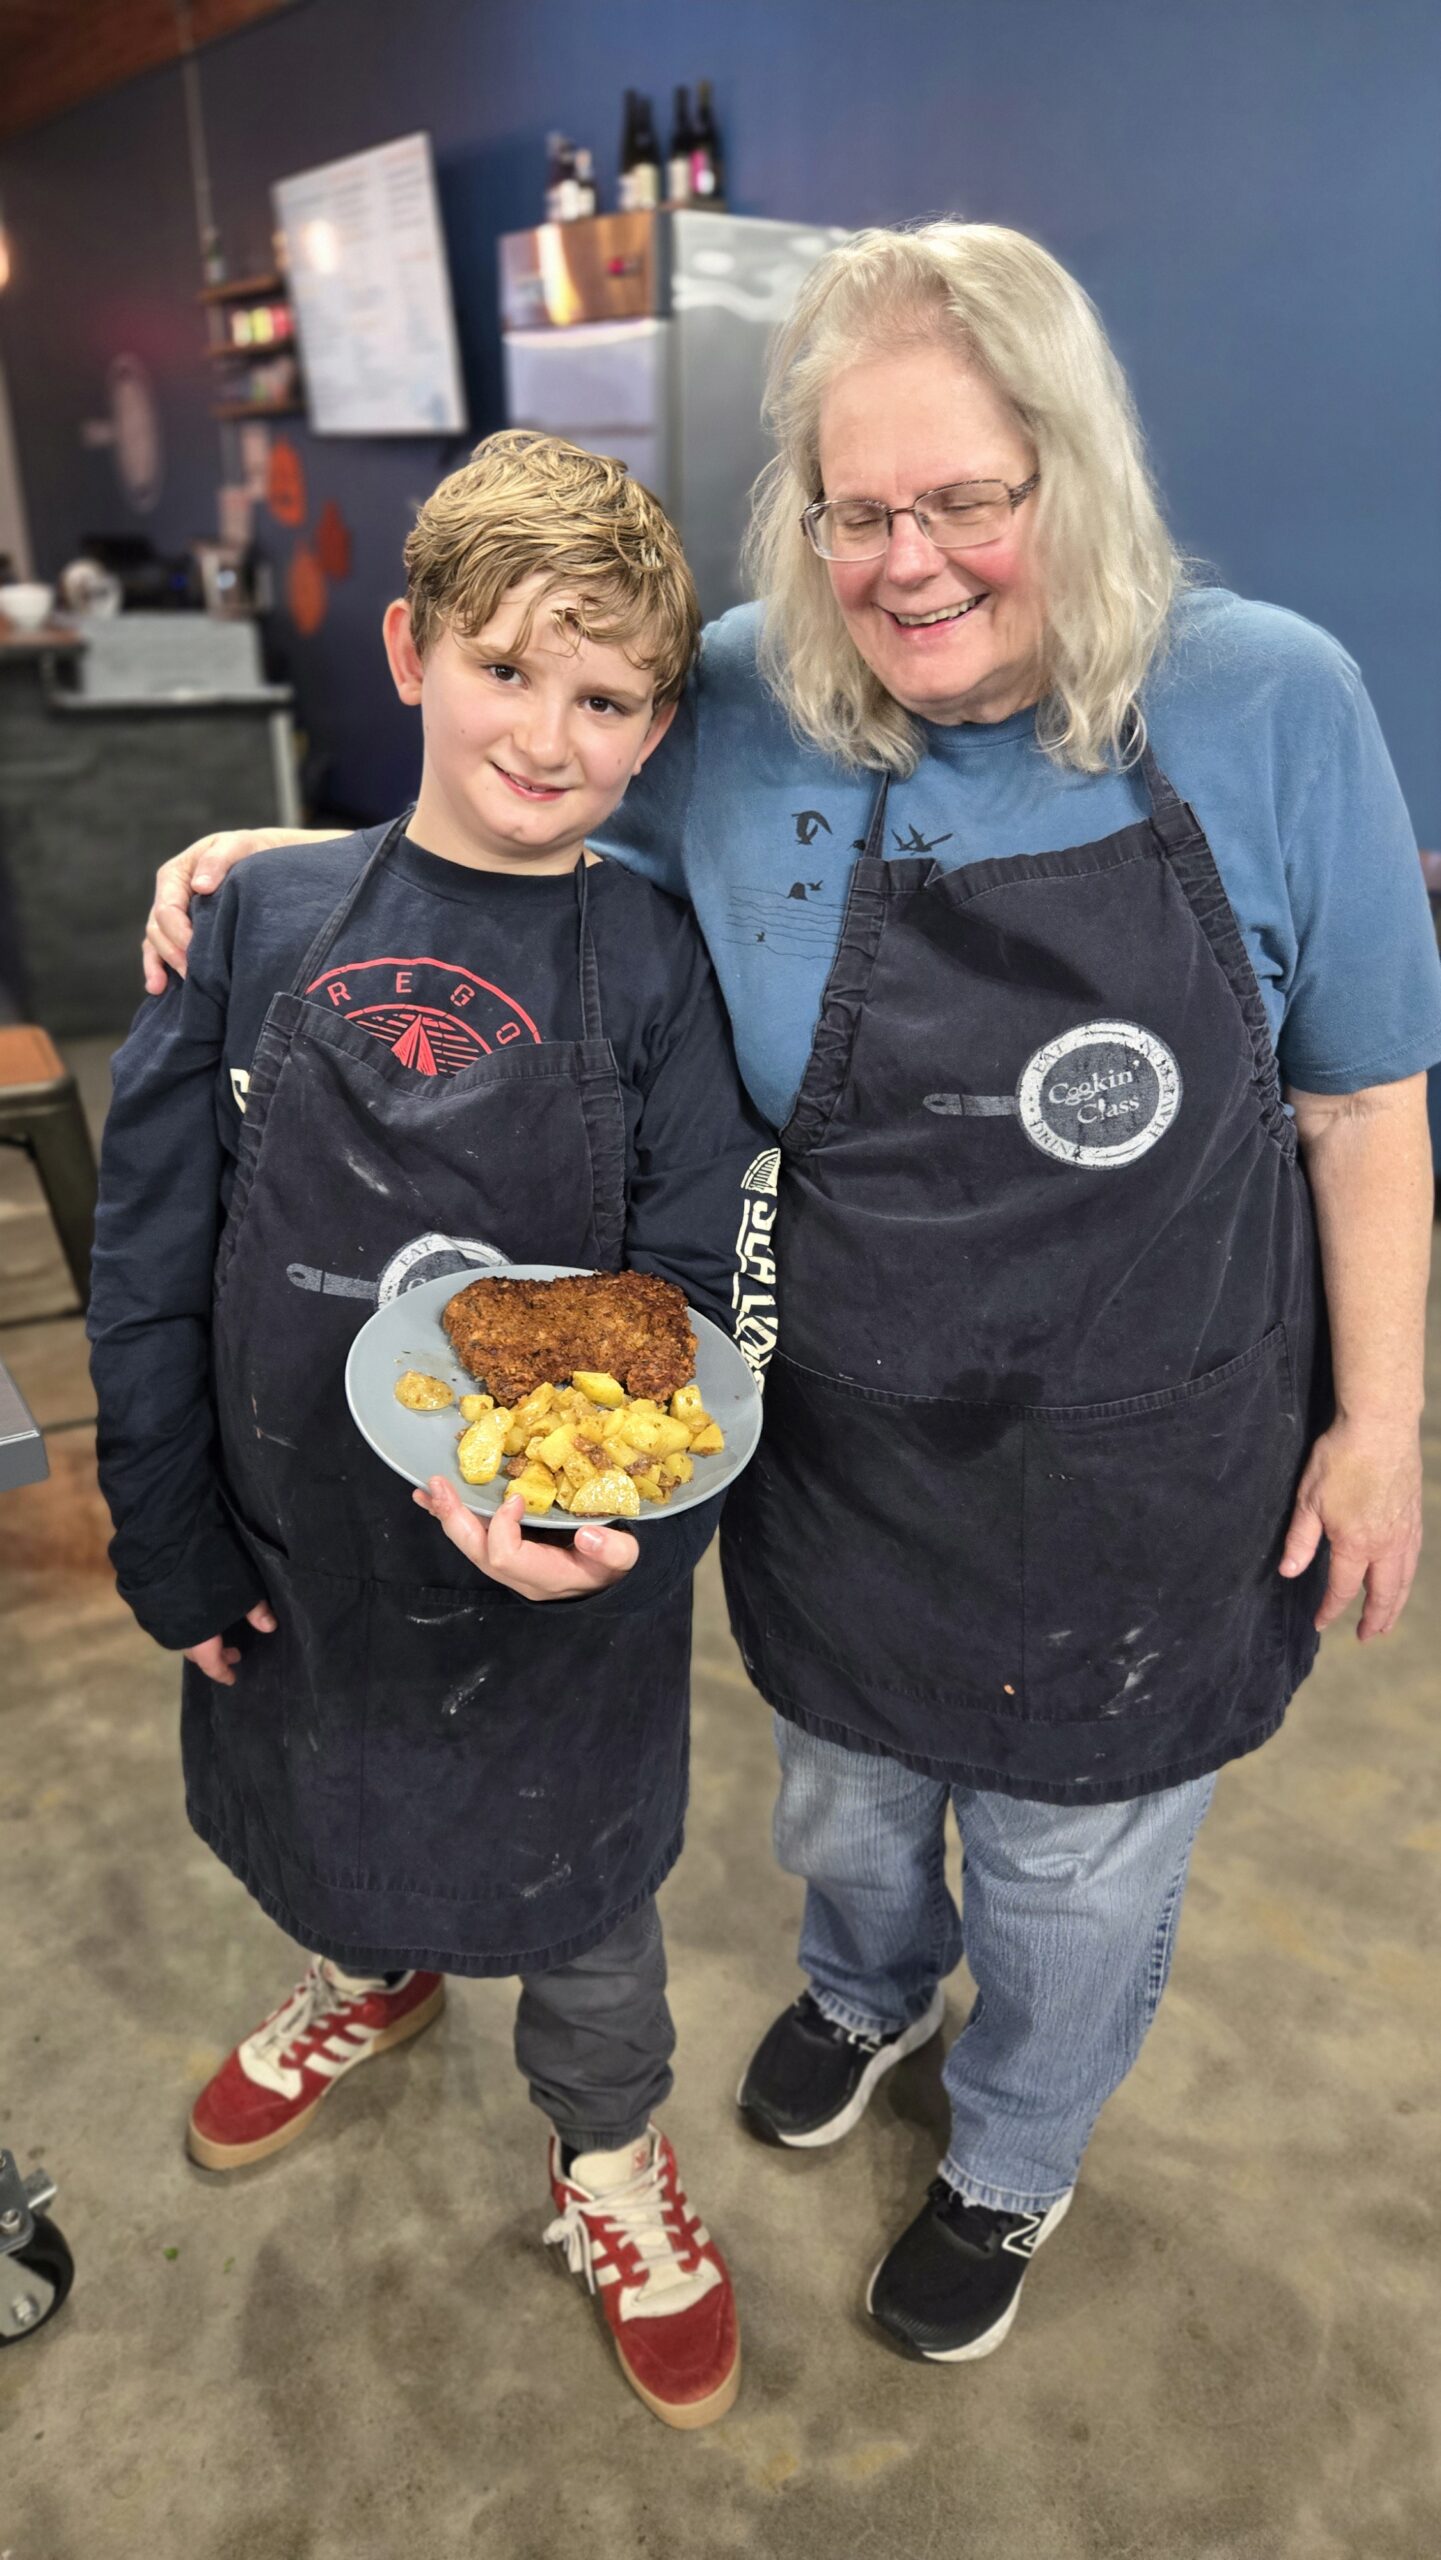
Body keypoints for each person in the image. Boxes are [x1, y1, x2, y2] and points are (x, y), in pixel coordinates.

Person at [143, 223, 1441, 2371]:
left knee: (1068, 1869)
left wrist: (1382, 1421)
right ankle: (856, 1985)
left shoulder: (1271, 695)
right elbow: (518, 809)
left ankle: (1014, 2143)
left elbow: (1362, 1105)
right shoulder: (744, 691)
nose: (907, 565)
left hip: (1153, 1461)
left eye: (966, 502)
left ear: (1072, 477)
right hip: (839, 1441)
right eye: (856, 511)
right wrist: (274, 871)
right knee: (838, 1800)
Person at [92, 430, 781, 2430]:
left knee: (580, 1915)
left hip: (545, 1584)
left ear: (654, 727)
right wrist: (173, 1541)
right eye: (504, 670)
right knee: (326, 1821)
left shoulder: (655, 966)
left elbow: (681, 1300)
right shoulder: (253, 924)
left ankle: (608, 2162)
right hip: (294, 1536)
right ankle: (364, 1977)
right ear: (406, 651)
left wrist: (608, 1523)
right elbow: (147, 1259)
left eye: (604, 699)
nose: (547, 736)